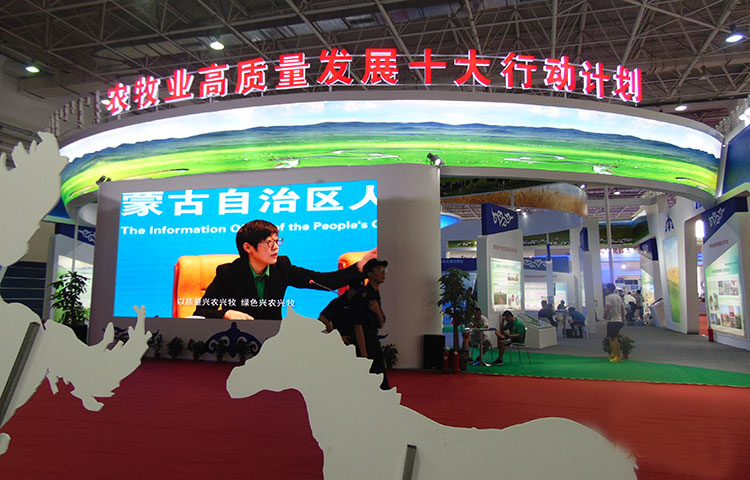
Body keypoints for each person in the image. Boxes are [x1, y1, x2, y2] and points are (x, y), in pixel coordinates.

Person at [193, 219, 375, 320]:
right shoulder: (228, 273)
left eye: (277, 241)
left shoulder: (281, 267)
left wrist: (360, 267)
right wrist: (225, 313)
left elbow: (324, 281)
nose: (275, 247)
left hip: (273, 342)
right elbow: (201, 312)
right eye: (268, 242)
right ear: (248, 247)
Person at [351, 258, 390, 390]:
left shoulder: (376, 294)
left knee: (381, 379)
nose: (383, 273)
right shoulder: (362, 295)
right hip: (364, 342)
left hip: (374, 340)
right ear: (370, 274)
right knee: (368, 381)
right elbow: (358, 326)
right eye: (379, 270)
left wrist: (377, 311)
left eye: (383, 270)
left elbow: (381, 323)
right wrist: (364, 353)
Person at [318, 277, 365, 347]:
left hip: (360, 341)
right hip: (344, 342)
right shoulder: (338, 303)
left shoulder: (361, 303)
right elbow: (322, 317)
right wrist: (335, 335)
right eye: (356, 291)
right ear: (350, 289)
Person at [603, 283, 626, 362]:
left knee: (613, 339)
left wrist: (604, 315)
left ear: (608, 289)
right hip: (618, 320)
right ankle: (613, 354)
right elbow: (622, 308)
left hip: (612, 320)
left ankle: (618, 356)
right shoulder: (618, 297)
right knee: (612, 338)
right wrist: (623, 319)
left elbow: (608, 307)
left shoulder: (608, 297)